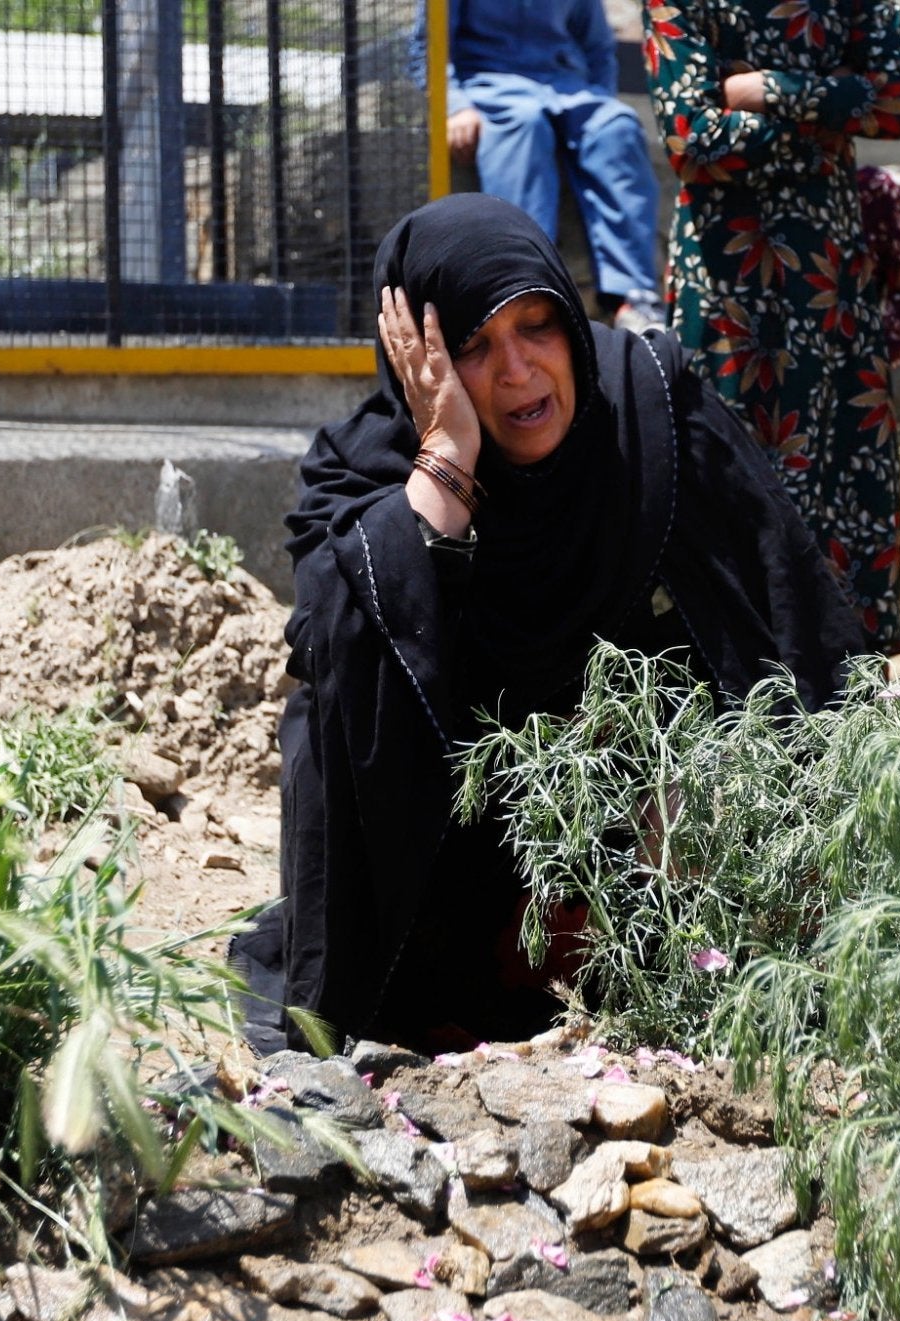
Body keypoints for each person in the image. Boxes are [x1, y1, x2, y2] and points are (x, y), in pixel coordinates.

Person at [230, 195, 864, 1053]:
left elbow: (787, 621)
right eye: (473, 348)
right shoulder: (361, 471)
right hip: (462, 870)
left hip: (646, 841)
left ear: (571, 319)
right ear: (420, 363)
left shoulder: (646, 415)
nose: (518, 370)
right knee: (343, 682)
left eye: (537, 328)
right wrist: (447, 464)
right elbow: (344, 676)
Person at [643, 0, 900, 654]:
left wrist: (764, 90)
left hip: (831, 295)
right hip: (728, 300)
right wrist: (834, 114)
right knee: (723, 494)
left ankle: (844, 726)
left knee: (840, 497)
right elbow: (693, 139)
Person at [408, 0, 666, 331]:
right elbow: (427, 46)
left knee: (617, 126)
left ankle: (634, 297)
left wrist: (600, 98)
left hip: (566, 85)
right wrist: (455, 106)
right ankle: (522, 289)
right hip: (491, 85)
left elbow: (599, 48)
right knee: (524, 126)